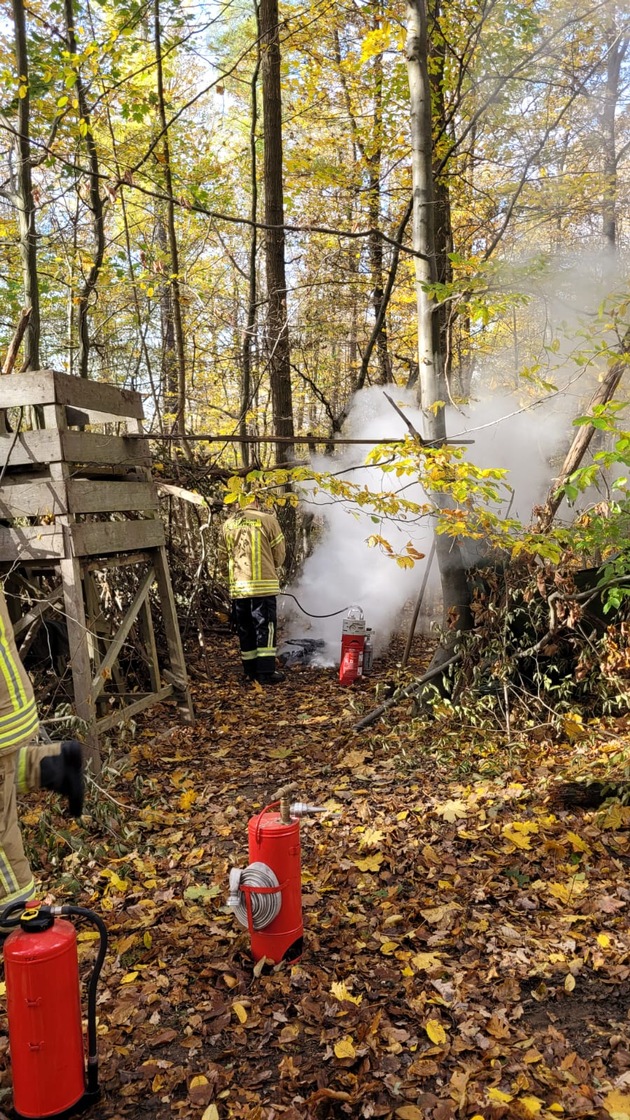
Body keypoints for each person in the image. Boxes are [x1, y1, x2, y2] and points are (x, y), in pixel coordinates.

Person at [0, 583, 84, 913]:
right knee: (4, 774)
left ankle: (15, 916)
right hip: (7, 702)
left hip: (2, 709)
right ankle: (55, 766)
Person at [219, 494, 287, 685]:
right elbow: (279, 554)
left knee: (245, 628)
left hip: (239, 589)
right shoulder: (268, 520)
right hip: (264, 588)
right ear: (256, 502)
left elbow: (222, 559)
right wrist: (270, 566)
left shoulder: (228, 524)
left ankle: (249, 671)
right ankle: (265, 672)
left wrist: (231, 578)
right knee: (266, 627)